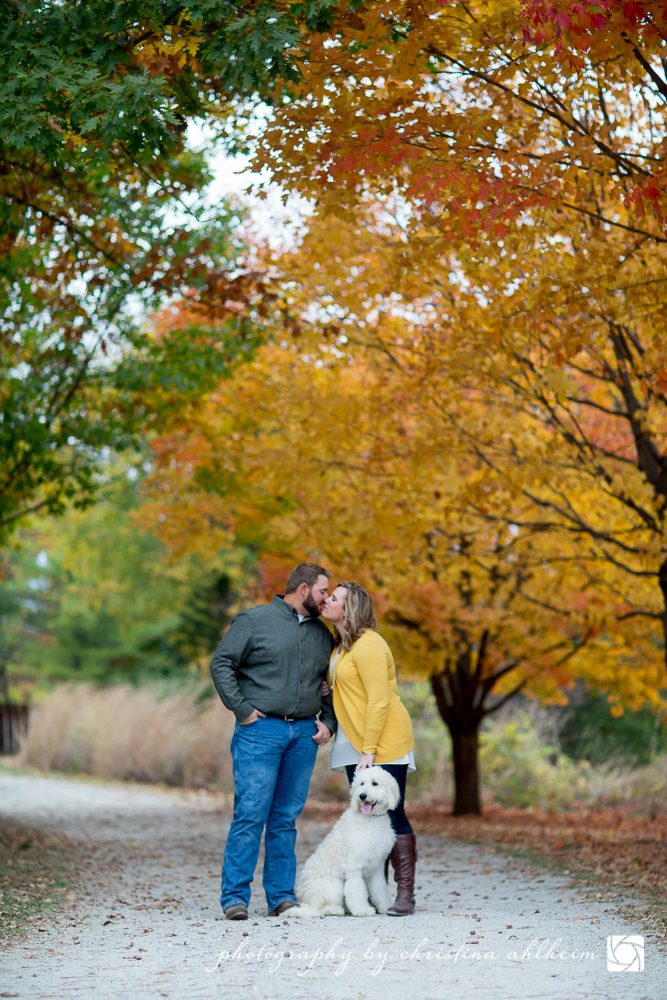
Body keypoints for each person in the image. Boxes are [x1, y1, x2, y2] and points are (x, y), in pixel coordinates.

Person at [210, 562, 336, 921]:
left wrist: (327, 721)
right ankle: (235, 898)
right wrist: (243, 711)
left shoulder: (321, 634)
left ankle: (281, 897)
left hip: (303, 737)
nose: (326, 599)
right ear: (303, 590)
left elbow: (325, 682)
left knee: (285, 819)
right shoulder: (253, 621)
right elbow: (221, 664)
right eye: (323, 591)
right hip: (260, 732)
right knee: (250, 814)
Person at [322, 581, 417, 916]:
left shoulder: (370, 643)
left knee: (392, 812)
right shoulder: (341, 646)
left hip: (382, 740)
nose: (326, 600)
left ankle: (404, 896)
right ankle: (380, 895)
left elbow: (379, 700)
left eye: (334, 598)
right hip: (355, 739)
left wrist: (370, 750)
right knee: (365, 817)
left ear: (350, 609)